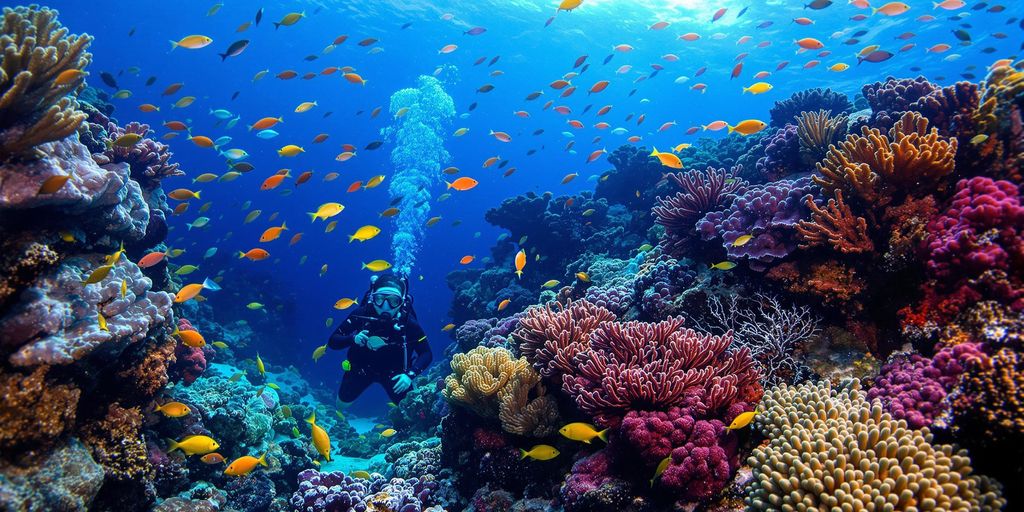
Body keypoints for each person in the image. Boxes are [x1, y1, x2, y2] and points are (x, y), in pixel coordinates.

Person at [328, 274, 433, 406]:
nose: (385, 306)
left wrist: (410, 375)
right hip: (361, 369)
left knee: (410, 411)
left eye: (393, 301)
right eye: (379, 299)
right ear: (373, 298)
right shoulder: (361, 314)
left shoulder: (409, 323)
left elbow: (426, 353)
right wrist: (352, 339)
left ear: (401, 302)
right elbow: (333, 341)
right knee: (341, 405)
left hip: (396, 375)